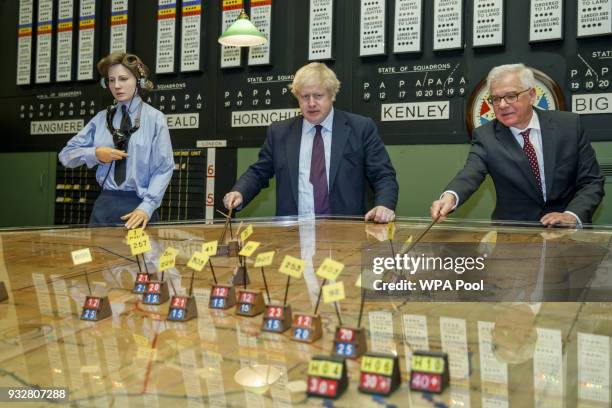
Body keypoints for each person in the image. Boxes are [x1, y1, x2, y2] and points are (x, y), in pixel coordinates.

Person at [431, 63, 604, 227]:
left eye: (511, 96)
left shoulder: (569, 125)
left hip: (568, 236)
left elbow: (591, 181)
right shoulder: (486, 136)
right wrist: (451, 197)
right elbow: (470, 173)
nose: (503, 105)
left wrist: (572, 215)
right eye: (496, 99)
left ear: (532, 95)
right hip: (514, 236)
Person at [223, 62, 398, 222]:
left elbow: (383, 175)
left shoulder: (360, 128)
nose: (311, 103)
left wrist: (384, 205)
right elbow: (259, 172)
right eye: (305, 97)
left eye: (318, 96)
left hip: (345, 233)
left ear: (332, 95)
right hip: (292, 235)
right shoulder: (280, 132)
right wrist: (240, 191)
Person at [59, 52, 174, 229]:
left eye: (123, 78)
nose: (117, 86)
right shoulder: (100, 119)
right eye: (111, 80)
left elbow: (164, 168)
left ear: (139, 81)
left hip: (139, 208)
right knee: (99, 257)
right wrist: (95, 153)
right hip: (105, 206)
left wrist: (147, 207)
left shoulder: (155, 119)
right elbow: (66, 156)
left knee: (140, 258)